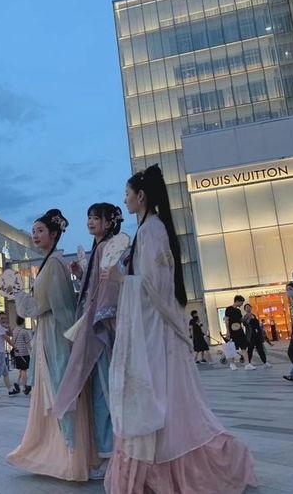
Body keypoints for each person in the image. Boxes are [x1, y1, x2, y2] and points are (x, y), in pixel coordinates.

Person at [104, 165, 256, 494]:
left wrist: (121, 280)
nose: (125, 200)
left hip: (157, 332)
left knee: (164, 397)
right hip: (154, 329)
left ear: (141, 196)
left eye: (127, 194)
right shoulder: (149, 229)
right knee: (165, 399)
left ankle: (175, 468)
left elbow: (156, 286)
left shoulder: (151, 230)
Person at [7, 209, 98, 481]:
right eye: (33, 231)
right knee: (54, 391)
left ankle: (70, 456)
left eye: (40, 231)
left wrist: (21, 297)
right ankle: (59, 453)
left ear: (54, 234)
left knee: (60, 391)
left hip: (56, 334)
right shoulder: (49, 263)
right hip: (49, 333)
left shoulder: (55, 264)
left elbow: (58, 306)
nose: (35, 235)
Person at [54, 203, 123, 478]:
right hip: (93, 325)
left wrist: (102, 319)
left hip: (99, 327)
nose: (91, 222)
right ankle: (107, 451)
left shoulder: (107, 248)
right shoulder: (99, 249)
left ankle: (112, 452)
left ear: (108, 222)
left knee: (104, 390)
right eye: (89, 218)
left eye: (96, 218)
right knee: (99, 390)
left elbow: (109, 287)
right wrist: (81, 275)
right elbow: (96, 286)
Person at [243, 304, 271, 369]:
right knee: (250, 350)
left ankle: (265, 362)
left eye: (249, 307)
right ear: (245, 309)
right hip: (250, 336)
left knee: (260, 349)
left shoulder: (254, 315)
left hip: (257, 335)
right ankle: (248, 363)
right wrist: (248, 319)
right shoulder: (245, 317)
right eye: (246, 308)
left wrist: (260, 334)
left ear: (251, 308)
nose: (248, 308)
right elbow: (245, 324)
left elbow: (257, 325)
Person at [225, 295, 249, 370]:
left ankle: (247, 364)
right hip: (232, 331)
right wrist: (228, 331)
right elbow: (226, 320)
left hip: (240, 331)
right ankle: (232, 364)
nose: (242, 304)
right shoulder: (229, 309)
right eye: (241, 302)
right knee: (233, 348)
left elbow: (241, 319)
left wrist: (246, 318)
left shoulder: (238, 311)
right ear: (237, 301)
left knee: (244, 347)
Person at [12, 316, 32, 395]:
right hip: (24, 353)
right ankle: (25, 387)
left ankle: (17, 383)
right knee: (24, 370)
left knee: (21, 369)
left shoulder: (14, 331)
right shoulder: (24, 331)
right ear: (23, 322)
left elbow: (12, 342)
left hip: (17, 353)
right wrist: (32, 350)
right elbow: (28, 343)